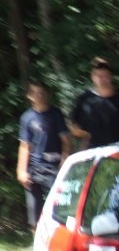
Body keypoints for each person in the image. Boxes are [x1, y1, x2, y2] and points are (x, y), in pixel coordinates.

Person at [16, 81, 71, 232]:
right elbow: (24, 146)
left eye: (41, 92)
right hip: (34, 168)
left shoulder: (56, 114)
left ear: (46, 94)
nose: (39, 96)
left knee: (59, 207)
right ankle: (37, 243)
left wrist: (64, 161)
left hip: (54, 167)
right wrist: (21, 170)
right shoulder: (26, 118)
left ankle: (60, 241)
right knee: (34, 209)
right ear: (29, 96)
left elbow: (65, 140)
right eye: (34, 93)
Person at [70, 57, 119, 149]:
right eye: (97, 75)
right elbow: (75, 129)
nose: (100, 78)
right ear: (92, 76)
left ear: (110, 76)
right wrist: (88, 135)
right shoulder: (83, 99)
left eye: (104, 75)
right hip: (92, 151)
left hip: (117, 149)